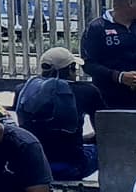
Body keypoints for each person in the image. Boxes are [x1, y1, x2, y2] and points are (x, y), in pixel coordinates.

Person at [14, 47, 94, 181]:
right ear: (71, 69)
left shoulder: (22, 89)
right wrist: (82, 139)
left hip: (34, 165)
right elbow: (104, 132)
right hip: (72, 167)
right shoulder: (87, 91)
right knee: (100, 148)